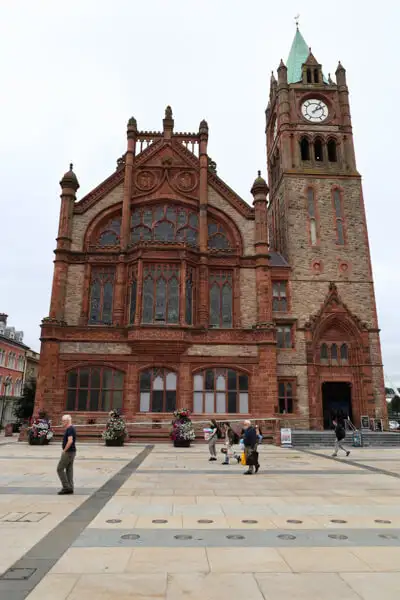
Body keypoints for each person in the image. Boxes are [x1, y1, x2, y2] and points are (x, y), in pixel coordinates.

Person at [57, 414, 76, 495]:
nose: (62, 422)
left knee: (59, 468)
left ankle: (66, 487)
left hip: (68, 452)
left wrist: (64, 450)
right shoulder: (70, 428)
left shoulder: (70, 429)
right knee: (69, 469)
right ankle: (70, 487)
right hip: (72, 452)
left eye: (63, 421)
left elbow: (70, 440)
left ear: (67, 421)